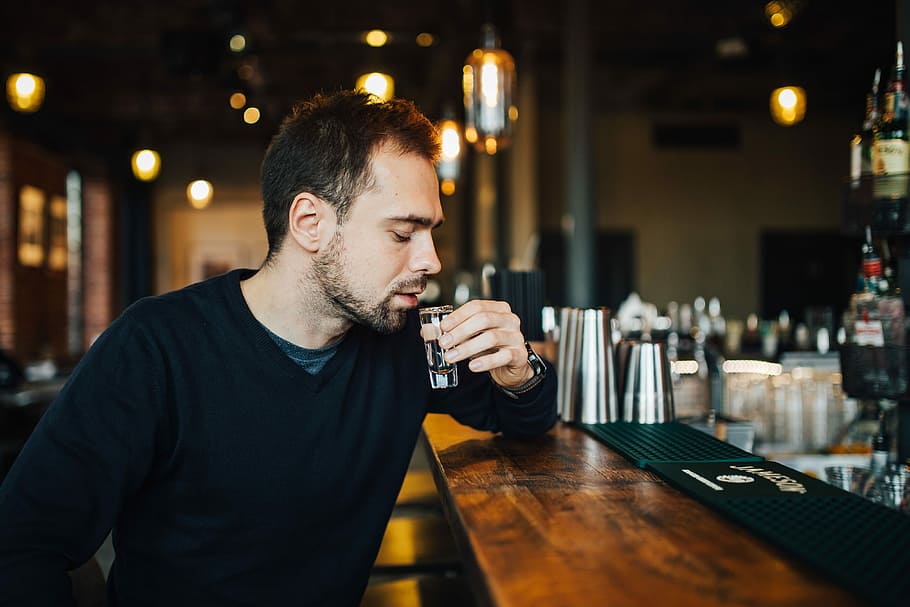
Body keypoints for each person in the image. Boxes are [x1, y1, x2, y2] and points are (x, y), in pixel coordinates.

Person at [0, 90, 557, 606]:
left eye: (431, 231)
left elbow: (527, 418)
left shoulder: (406, 342)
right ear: (310, 222)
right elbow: (22, 546)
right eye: (402, 232)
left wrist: (520, 370)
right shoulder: (155, 348)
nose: (430, 260)